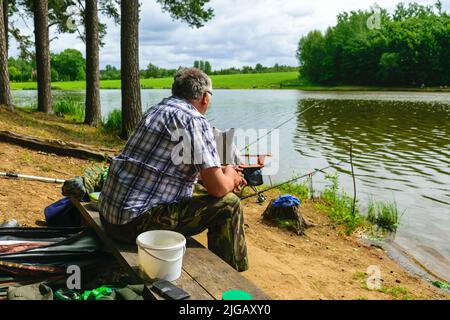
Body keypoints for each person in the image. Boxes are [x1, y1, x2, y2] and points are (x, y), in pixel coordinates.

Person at [98, 68, 249, 272]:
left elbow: (172, 166)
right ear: (205, 97)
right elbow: (219, 189)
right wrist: (230, 175)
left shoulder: (156, 110)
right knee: (229, 205)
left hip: (109, 216)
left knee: (204, 191)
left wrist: (218, 173)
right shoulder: (194, 120)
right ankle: (231, 277)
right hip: (133, 225)